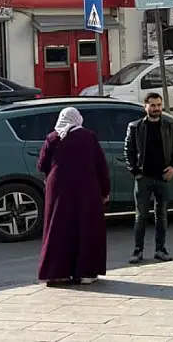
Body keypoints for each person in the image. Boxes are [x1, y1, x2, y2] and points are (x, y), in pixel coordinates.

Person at [37, 107, 110, 285]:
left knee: (58, 228)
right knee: (86, 227)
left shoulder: (53, 137)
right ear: (78, 119)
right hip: (86, 188)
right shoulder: (89, 137)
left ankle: (57, 272)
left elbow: (42, 165)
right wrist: (105, 191)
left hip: (58, 189)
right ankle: (86, 272)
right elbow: (101, 166)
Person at [124, 92, 173, 264]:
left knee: (162, 215)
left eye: (159, 105)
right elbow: (129, 151)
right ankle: (137, 251)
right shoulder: (135, 127)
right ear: (145, 107)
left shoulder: (169, 126)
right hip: (143, 178)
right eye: (153, 105)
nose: (156, 108)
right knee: (140, 216)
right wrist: (135, 172)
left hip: (162, 178)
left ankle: (160, 249)